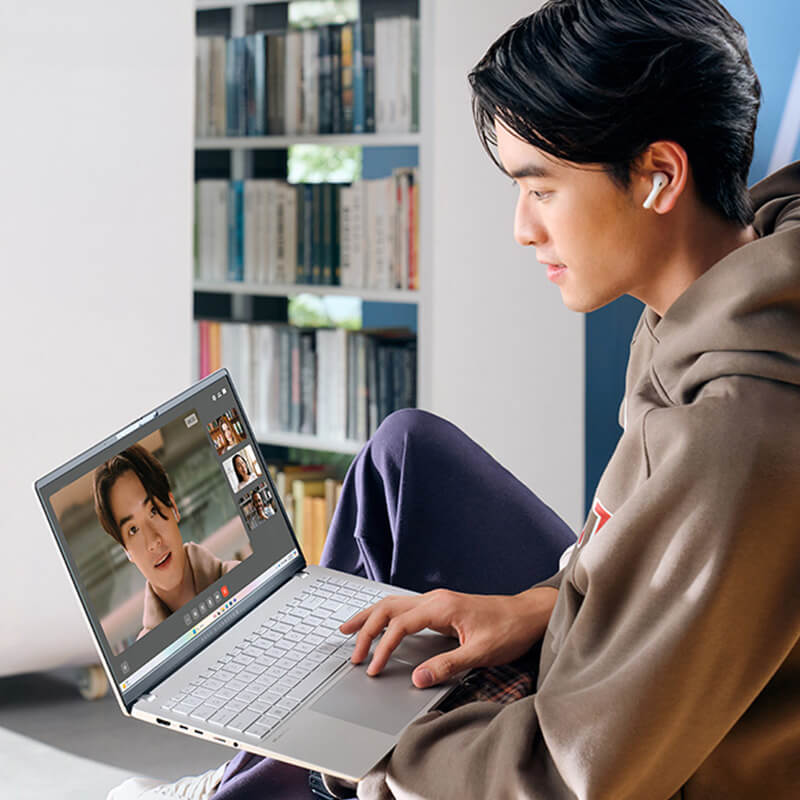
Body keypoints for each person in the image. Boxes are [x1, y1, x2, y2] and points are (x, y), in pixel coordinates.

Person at [108, 0, 800, 797]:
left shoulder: (737, 428)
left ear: (660, 176)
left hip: (624, 763)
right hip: (614, 663)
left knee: (348, 732)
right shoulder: (721, 292)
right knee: (407, 452)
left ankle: (275, 773)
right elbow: (647, 565)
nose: (521, 227)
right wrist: (535, 606)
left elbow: (571, 780)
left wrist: (375, 747)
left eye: (540, 190)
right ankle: (269, 764)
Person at [94, 444, 240, 641]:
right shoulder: (147, 649)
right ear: (127, 551)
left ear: (173, 508)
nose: (153, 541)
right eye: (133, 530)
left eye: (153, 511)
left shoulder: (239, 579)